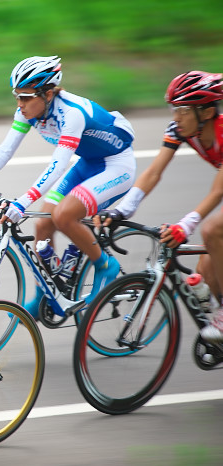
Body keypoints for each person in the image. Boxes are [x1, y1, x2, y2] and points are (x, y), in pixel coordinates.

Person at [0, 55, 136, 316]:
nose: (20, 103)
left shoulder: (71, 114)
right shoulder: (29, 110)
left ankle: (105, 265)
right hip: (89, 162)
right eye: (17, 96)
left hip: (116, 166)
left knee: (63, 215)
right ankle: (44, 293)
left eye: (26, 97)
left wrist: (23, 202)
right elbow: (5, 151)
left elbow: (58, 165)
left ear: (48, 94)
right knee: (43, 224)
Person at [95, 71, 223, 342]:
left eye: (183, 110)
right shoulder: (181, 129)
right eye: (173, 109)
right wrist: (122, 210)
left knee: (212, 230)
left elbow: (218, 190)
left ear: (207, 112)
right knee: (205, 274)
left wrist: (185, 226)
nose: (175, 117)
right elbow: (154, 172)